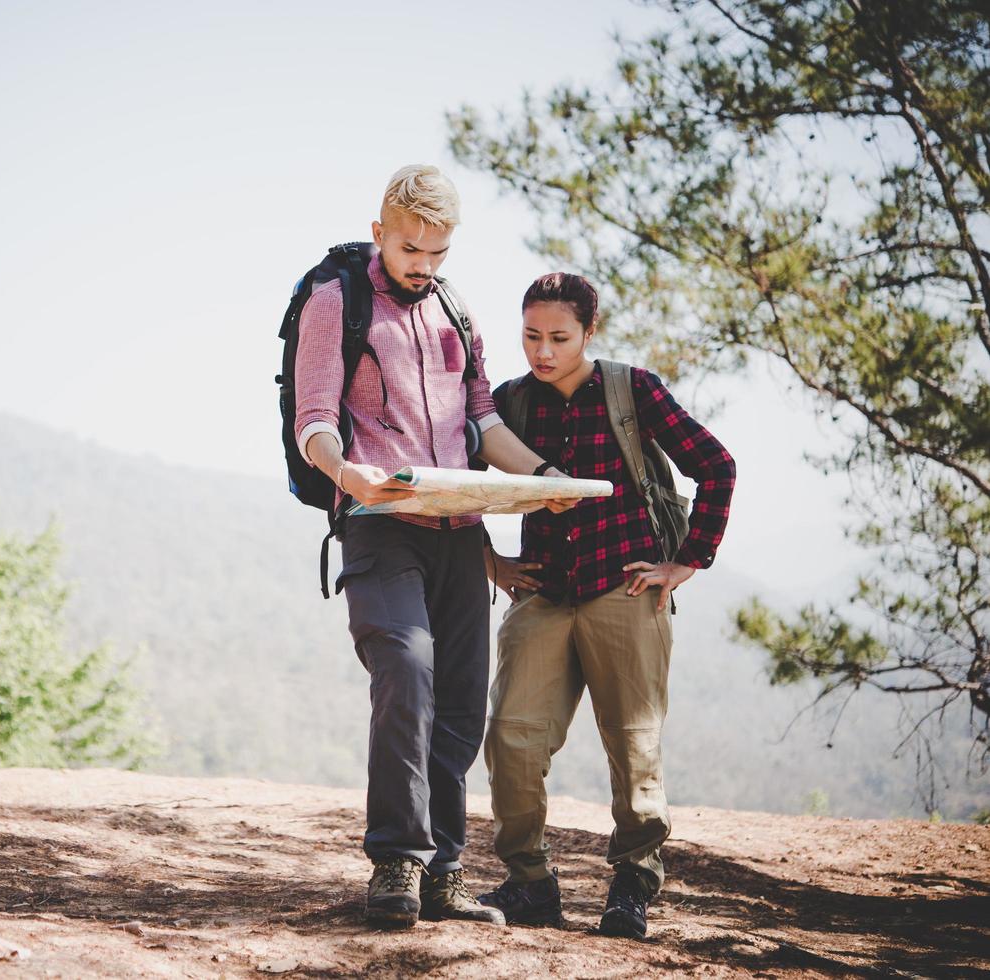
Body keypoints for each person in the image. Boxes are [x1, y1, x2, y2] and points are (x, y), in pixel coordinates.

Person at [293, 165, 577, 929]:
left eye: (437, 251)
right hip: (379, 524)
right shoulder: (335, 302)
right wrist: (346, 472)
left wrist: (548, 479)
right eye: (410, 247)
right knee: (405, 669)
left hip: (460, 531)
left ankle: (444, 873)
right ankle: (395, 862)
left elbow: (481, 421)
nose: (422, 264)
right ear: (381, 230)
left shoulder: (455, 309)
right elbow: (313, 417)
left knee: (457, 701)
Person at [476, 273, 737, 939]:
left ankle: (631, 886)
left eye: (558, 338)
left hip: (623, 588)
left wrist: (686, 562)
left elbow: (715, 465)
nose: (542, 350)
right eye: (531, 335)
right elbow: (458, 482)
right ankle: (529, 884)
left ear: (588, 333)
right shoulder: (507, 403)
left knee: (632, 743)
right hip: (541, 594)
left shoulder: (630, 390)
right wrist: (493, 563)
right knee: (510, 735)